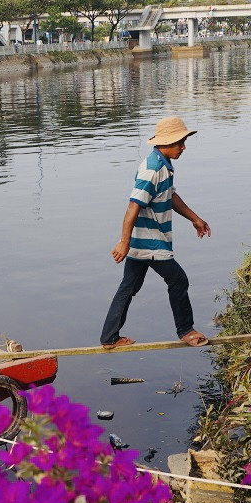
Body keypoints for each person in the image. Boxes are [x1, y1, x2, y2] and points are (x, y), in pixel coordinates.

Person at [100, 116, 211, 350]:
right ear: (166, 142)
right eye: (180, 142)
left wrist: (195, 219)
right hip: (151, 242)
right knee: (178, 280)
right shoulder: (153, 169)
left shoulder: (164, 166)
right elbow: (133, 205)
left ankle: (109, 338)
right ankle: (186, 330)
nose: (183, 147)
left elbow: (170, 197)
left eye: (183, 142)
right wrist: (123, 242)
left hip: (143, 240)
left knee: (128, 287)